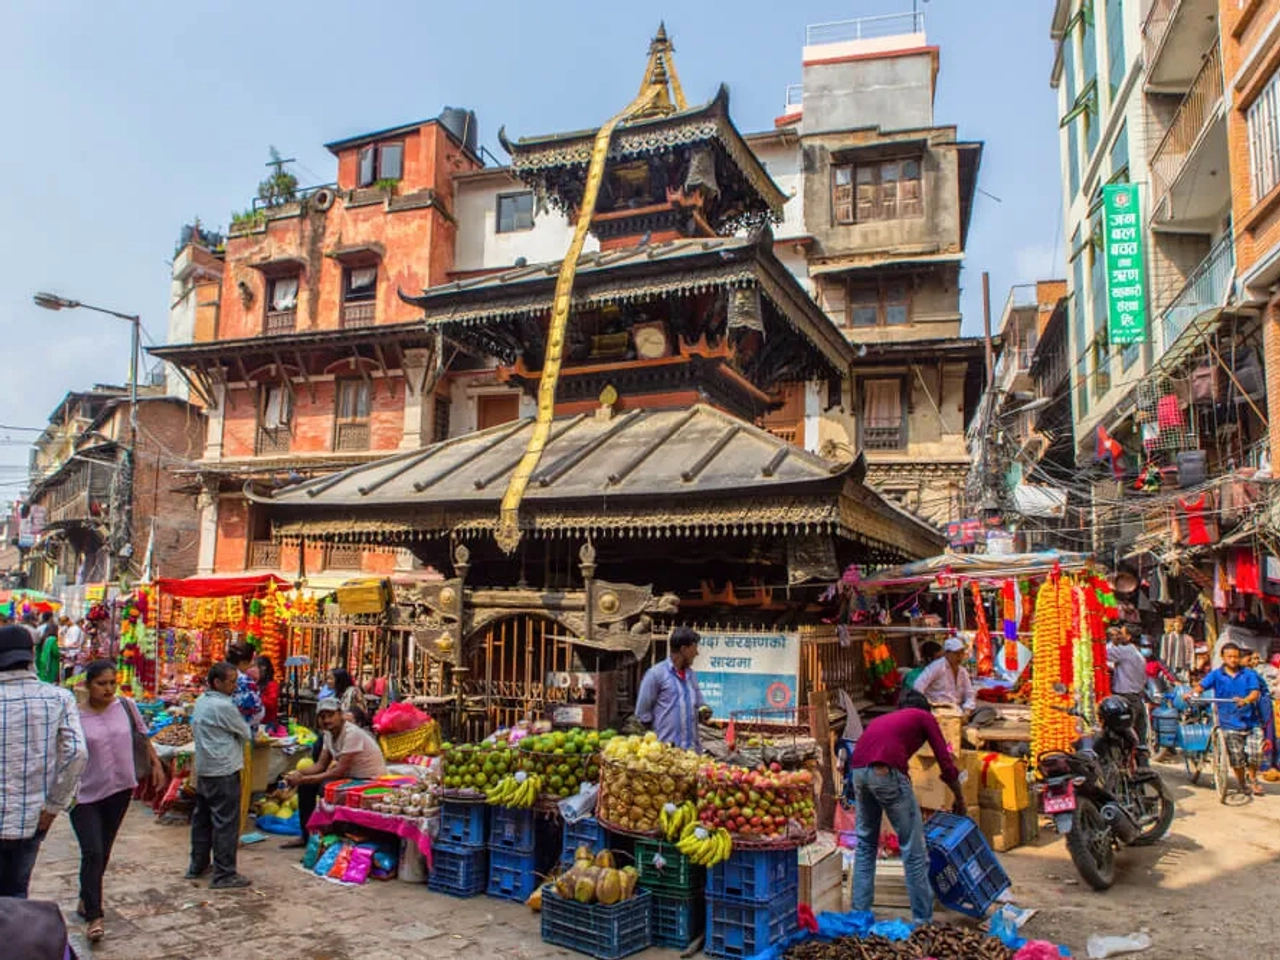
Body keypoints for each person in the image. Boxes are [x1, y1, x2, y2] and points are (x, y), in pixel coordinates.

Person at [848, 689, 965, 925]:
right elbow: (945, 760)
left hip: (858, 772)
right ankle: (922, 920)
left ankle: (858, 915)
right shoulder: (924, 718)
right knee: (913, 850)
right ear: (926, 709)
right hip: (885, 771)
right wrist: (960, 798)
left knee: (865, 845)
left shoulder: (886, 720)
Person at [72, 660, 164, 942]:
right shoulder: (74, 714)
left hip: (119, 789)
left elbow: (142, 735)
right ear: (88, 685)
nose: (109, 689)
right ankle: (95, 916)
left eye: (112, 682)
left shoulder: (125, 706)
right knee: (93, 851)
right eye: (102, 683)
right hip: (83, 793)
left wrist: (156, 765)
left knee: (104, 849)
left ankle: (86, 897)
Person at [0, 623, 88, 897]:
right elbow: (77, 753)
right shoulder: (59, 698)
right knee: (17, 892)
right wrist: (53, 806)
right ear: (31, 656)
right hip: (34, 817)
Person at [283, 696, 387, 848]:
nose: (327, 720)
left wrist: (303, 779)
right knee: (306, 788)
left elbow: (338, 771)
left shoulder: (352, 733)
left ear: (340, 714)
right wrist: (297, 773)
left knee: (324, 787)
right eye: (323, 716)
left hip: (369, 779)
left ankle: (331, 840)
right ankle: (307, 836)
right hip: (350, 777)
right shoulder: (328, 734)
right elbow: (320, 765)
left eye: (331, 715)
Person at [187, 661, 253, 889]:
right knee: (225, 822)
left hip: (206, 768)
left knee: (202, 819)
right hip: (223, 769)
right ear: (218, 682)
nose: (234, 686)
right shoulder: (223, 706)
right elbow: (245, 732)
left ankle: (198, 864)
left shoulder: (202, 702)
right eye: (231, 681)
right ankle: (224, 873)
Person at [1193, 642, 1265, 797]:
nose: (1233, 659)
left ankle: (1252, 778)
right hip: (1228, 722)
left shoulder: (1249, 674)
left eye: (1236, 657)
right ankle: (1242, 782)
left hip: (1251, 721)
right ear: (1223, 658)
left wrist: (1245, 700)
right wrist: (1194, 693)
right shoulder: (1216, 674)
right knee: (1236, 757)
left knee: (1256, 754)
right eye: (1230, 656)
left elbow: (1255, 693)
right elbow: (1201, 686)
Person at [635, 627, 707, 751]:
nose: (697, 653)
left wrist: (704, 711)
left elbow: (700, 705)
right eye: (694, 648)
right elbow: (643, 714)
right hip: (666, 754)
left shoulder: (691, 676)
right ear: (684, 649)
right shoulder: (655, 675)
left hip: (692, 753)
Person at [1108, 625, 1151, 746]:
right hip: (1136, 698)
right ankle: (1142, 760)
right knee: (1139, 735)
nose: (1118, 636)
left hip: (1124, 698)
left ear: (1128, 637)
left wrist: (1111, 641)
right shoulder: (1138, 653)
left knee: (1122, 736)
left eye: (1120, 634)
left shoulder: (1125, 651)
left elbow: (1101, 653)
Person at [912, 637, 976, 714]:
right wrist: (927, 705)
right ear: (946, 654)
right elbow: (918, 686)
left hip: (957, 710)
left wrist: (967, 709)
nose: (959, 656)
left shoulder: (962, 671)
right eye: (956, 653)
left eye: (961, 652)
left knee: (987, 710)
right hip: (939, 710)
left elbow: (970, 693)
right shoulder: (937, 667)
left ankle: (964, 721)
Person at [225, 643, 263, 730]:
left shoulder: (217, 674)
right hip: (238, 732)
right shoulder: (245, 681)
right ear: (243, 662)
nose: (253, 664)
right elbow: (257, 711)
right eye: (252, 660)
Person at [253, 655, 280, 729]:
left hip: (267, 724)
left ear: (263, 668)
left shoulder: (272, 685)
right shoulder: (254, 683)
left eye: (255, 667)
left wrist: (256, 694)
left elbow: (271, 703)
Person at [35, 612, 60, 685]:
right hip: (50, 663)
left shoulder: (40, 630)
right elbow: (56, 653)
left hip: (42, 660)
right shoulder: (52, 639)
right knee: (49, 679)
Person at [59, 618, 85, 683]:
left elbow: (74, 642)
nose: (64, 626)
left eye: (64, 624)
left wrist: (65, 646)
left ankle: (69, 684)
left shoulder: (76, 629)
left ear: (68, 621)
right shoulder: (69, 629)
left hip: (73, 653)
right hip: (69, 652)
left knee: (70, 671)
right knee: (67, 670)